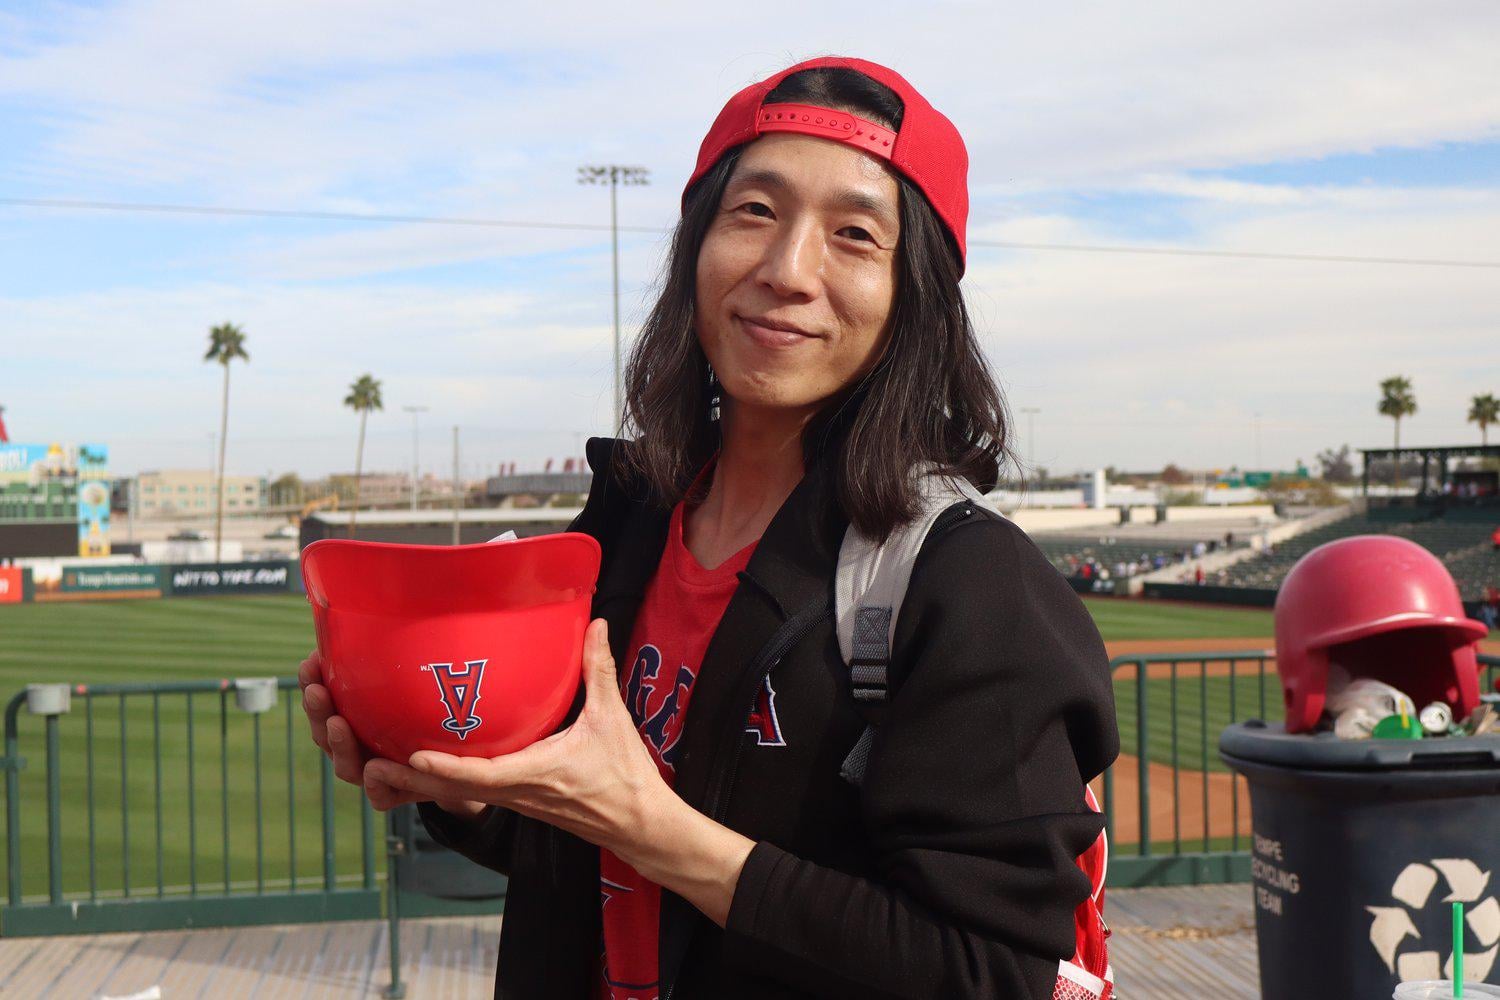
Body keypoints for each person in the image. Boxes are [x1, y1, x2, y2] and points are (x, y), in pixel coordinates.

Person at [300, 56, 1117, 999]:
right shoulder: (625, 519)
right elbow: (582, 851)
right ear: (696, 248)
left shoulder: (968, 584)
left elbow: (993, 971)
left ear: (915, 299)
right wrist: (475, 794)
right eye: (754, 213)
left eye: (854, 234)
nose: (786, 272)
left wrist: (656, 827)